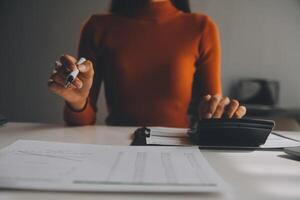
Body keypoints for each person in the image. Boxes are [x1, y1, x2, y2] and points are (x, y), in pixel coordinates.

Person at [48, 0, 246, 127]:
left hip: (179, 149)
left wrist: (221, 111)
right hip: (114, 148)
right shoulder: (98, 27)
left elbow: (212, 113)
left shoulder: (202, 28)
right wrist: (76, 100)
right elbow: (83, 121)